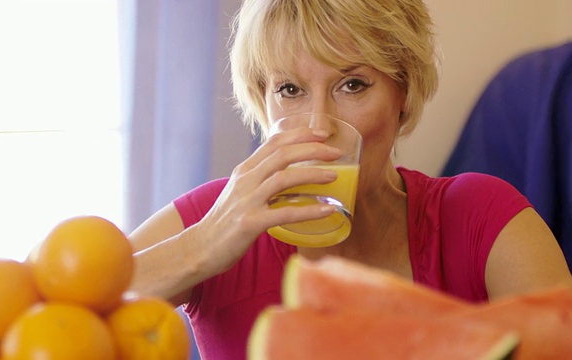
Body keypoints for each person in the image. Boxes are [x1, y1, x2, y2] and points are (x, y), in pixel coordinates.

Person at [128, 0, 572, 359]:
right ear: (263, 102)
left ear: (403, 93)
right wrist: (203, 245)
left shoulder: (482, 216)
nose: (319, 126)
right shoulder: (216, 215)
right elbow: (63, 317)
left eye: (353, 84)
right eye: (290, 90)